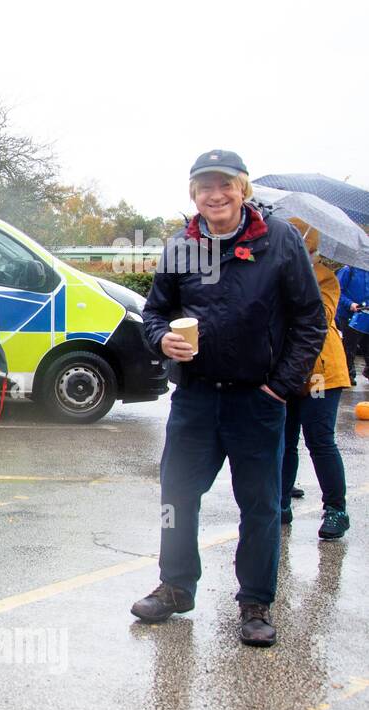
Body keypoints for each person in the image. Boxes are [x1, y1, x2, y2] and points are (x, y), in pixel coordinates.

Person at [134, 149, 325, 648]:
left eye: (224, 185)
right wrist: (160, 340)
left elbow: (310, 320)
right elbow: (154, 314)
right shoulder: (181, 246)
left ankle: (255, 603)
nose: (214, 195)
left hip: (255, 401)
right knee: (175, 498)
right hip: (195, 399)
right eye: (203, 187)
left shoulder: (281, 241)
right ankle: (176, 587)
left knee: (260, 505)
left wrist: (280, 385)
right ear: (193, 193)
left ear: (243, 189)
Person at [280, 219, 351, 540]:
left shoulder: (326, 278)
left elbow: (319, 318)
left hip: (322, 373)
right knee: (284, 441)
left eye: (301, 248)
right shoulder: (275, 275)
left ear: (311, 249)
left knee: (320, 440)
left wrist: (300, 279)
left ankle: (336, 509)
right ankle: (280, 503)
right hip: (284, 371)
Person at [335, 265, 369, 385]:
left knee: (366, 345)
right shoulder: (348, 270)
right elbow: (338, 290)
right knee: (349, 347)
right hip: (348, 315)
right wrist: (350, 304)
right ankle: (347, 374)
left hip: (366, 315)